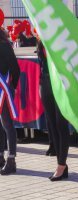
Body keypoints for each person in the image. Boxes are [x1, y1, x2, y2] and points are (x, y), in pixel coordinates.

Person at [37, 39, 70, 181]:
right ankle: (61, 163)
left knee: (61, 125)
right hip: (45, 83)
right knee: (52, 126)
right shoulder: (41, 40)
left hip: (61, 84)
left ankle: (61, 165)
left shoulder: (62, 38)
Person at [0, 29, 20, 175]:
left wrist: (12, 87)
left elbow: (15, 69)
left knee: (7, 124)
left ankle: (11, 159)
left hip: (4, 89)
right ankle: (0, 155)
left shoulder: (5, 46)